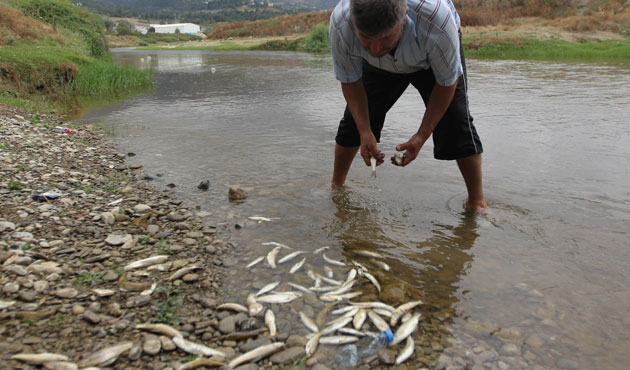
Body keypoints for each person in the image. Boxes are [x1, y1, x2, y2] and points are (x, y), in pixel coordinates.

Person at [329, 0, 488, 213]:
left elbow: (447, 84)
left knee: (456, 121)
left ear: (403, 17)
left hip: (430, 59)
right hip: (378, 67)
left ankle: (477, 203)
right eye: (365, 37)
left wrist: (421, 136)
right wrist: (364, 130)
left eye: (385, 37)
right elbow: (350, 81)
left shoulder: (437, 21)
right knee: (352, 124)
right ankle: (336, 187)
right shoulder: (341, 23)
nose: (376, 48)